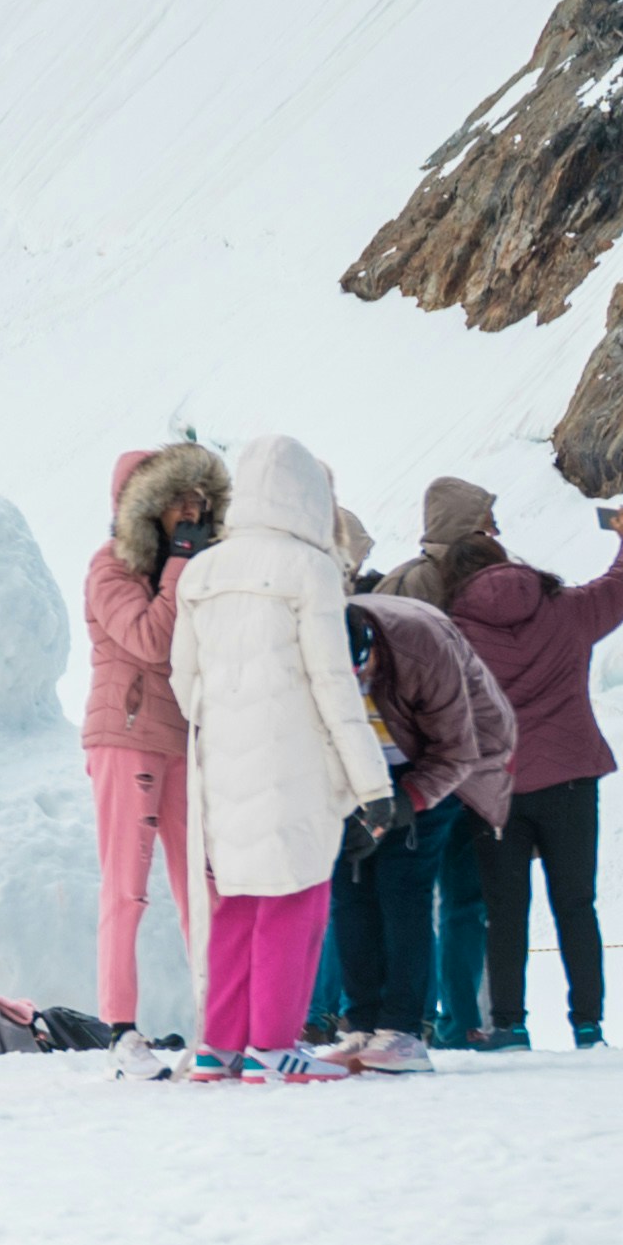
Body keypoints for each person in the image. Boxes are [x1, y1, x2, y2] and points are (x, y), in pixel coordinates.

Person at [171, 434, 394, 1078]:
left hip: (223, 764)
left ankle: (218, 1046)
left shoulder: (203, 569)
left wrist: (227, 722)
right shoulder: (309, 569)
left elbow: (183, 682)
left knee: (236, 903)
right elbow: (333, 684)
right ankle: (273, 1045)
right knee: (296, 899)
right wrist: (370, 784)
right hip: (294, 763)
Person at [408, 480, 623, 1051]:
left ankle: (511, 1025)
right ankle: (588, 1026)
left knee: (505, 909)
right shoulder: (566, 609)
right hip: (571, 777)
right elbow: (622, 585)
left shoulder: (454, 632)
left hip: (499, 789)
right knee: (576, 904)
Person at [333, 577, 512, 1069]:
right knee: (348, 885)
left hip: (434, 764)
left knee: (401, 885)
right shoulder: (311, 645)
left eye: (362, 671)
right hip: (360, 770)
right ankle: (361, 1023)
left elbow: (459, 751)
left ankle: (404, 1030)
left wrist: (405, 803)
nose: (358, 684)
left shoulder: (422, 646)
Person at [85, 445, 224, 1033]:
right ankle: (120, 1029)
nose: (191, 509)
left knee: (205, 889)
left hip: (183, 739)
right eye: (178, 499)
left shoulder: (192, 567)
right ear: (146, 507)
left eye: (199, 498)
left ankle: (223, 1023)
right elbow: (149, 639)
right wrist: (181, 567)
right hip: (128, 735)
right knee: (127, 890)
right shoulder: (110, 567)